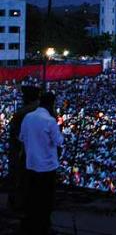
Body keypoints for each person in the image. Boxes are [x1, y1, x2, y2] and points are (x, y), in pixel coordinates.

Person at [19, 91, 63, 235]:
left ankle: (32, 224)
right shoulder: (49, 121)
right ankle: (44, 227)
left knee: (33, 196)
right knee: (46, 199)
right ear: (52, 104)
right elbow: (59, 141)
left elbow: (22, 138)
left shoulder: (28, 117)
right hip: (47, 167)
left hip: (31, 164)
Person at [7, 85, 40, 210]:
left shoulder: (23, 113)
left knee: (21, 181)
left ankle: (20, 207)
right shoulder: (45, 110)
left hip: (24, 153)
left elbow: (15, 135)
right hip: (39, 155)